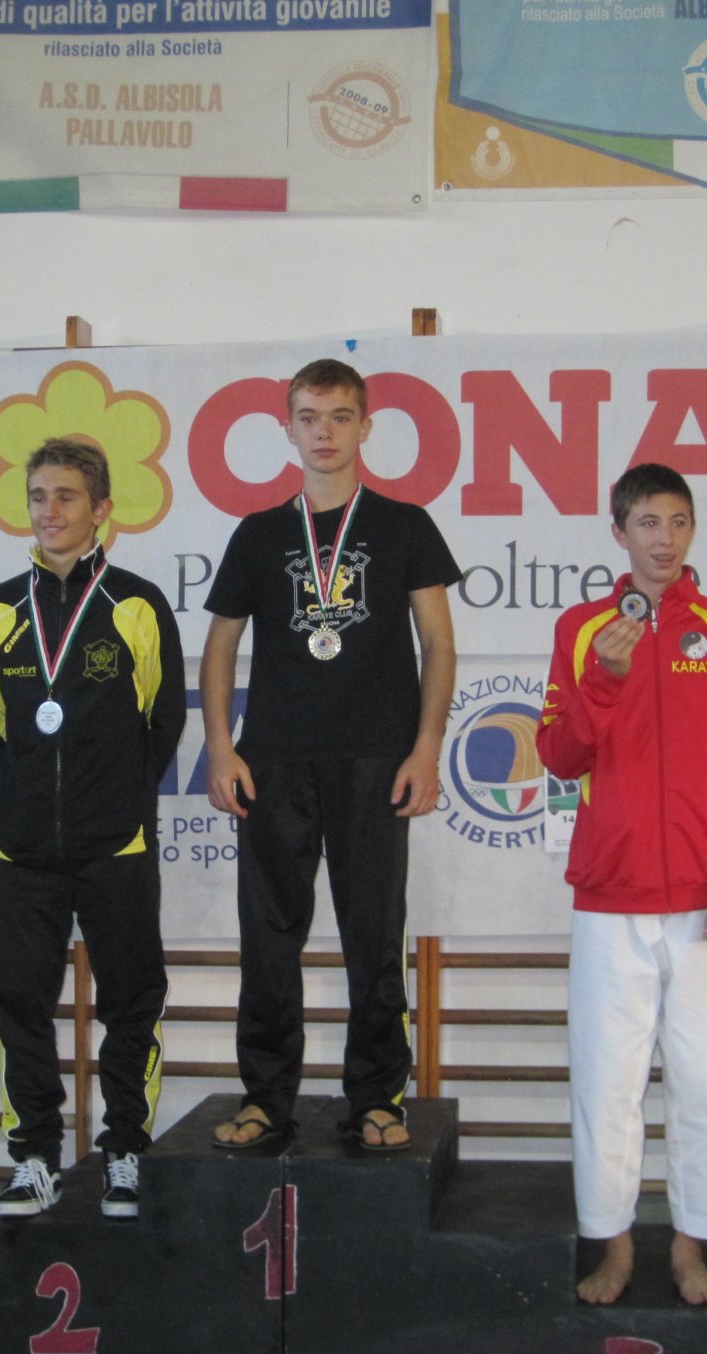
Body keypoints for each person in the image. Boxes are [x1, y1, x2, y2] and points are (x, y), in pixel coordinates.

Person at [201, 358, 460, 1153]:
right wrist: (221, 747)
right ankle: (265, 1098)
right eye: (309, 417)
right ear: (288, 429)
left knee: (374, 937)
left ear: (365, 426)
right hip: (273, 761)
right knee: (267, 938)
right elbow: (219, 648)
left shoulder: (406, 525)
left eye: (340, 417)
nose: (324, 433)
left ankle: (377, 1096)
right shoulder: (258, 533)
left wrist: (426, 748)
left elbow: (439, 646)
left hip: (377, 759)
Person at [536, 463, 707, 1307]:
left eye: (677, 522)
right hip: (611, 893)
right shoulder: (582, 629)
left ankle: (690, 1249)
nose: (663, 539)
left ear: (692, 529)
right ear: (619, 532)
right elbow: (559, 756)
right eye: (647, 523)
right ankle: (614, 1247)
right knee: (607, 1085)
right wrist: (602, 677)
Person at [0, 438, 185, 1219]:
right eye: (37, 496)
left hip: (114, 844)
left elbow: (163, 720)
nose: (48, 510)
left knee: (131, 1000)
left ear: (101, 511)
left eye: (65, 496)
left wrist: (113, 800)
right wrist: (36, 797)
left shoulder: (135, 604)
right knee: (20, 1005)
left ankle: (125, 1150)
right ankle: (34, 1159)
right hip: (20, 850)